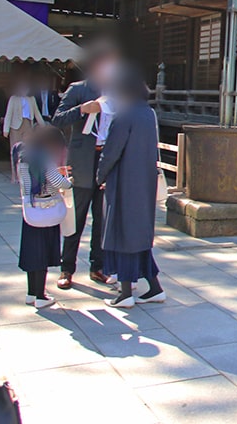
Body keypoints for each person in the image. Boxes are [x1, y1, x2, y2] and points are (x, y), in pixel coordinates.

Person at [96, 66, 166, 308]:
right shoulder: (148, 114)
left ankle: (126, 293)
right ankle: (155, 287)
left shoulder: (124, 116)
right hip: (144, 182)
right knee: (139, 236)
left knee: (123, 233)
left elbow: (111, 152)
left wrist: (99, 176)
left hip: (124, 181)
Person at [52, 43, 119, 289]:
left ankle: (98, 266)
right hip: (82, 161)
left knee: (102, 218)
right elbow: (57, 119)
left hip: (106, 160)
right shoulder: (79, 89)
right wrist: (82, 109)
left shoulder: (116, 92)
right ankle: (67, 268)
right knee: (77, 217)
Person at [15, 126, 72, 309]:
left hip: (31, 210)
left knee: (31, 253)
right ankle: (41, 296)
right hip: (47, 210)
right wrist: (69, 182)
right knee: (42, 254)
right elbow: (57, 181)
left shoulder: (23, 155)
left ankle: (31, 293)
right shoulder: (45, 158)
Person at [3, 77, 44, 161]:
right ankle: (15, 171)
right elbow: (8, 114)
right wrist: (5, 129)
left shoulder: (31, 99)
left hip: (28, 124)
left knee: (27, 148)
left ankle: (25, 171)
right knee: (15, 149)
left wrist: (44, 126)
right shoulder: (13, 98)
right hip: (15, 126)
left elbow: (37, 113)